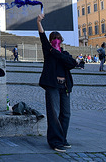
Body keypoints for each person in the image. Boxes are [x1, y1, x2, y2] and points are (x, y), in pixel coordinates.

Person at [37, 13, 77, 153]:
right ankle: (55, 141)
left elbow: (73, 63)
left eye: (57, 39)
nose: (55, 40)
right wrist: (38, 22)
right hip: (53, 86)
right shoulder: (48, 51)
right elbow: (42, 36)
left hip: (65, 87)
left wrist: (58, 52)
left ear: (61, 40)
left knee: (66, 114)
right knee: (54, 113)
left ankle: (62, 139)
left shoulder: (64, 54)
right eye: (53, 39)